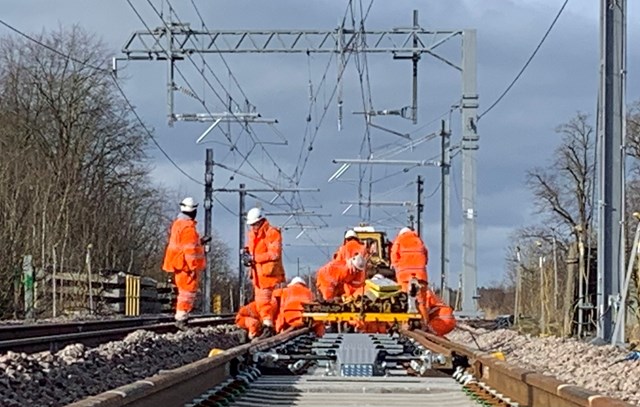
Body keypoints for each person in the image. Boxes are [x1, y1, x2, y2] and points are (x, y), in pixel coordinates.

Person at [162, 197, 208, 328]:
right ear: (194, 211)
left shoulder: (178, 224)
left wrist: (200, 242)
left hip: (177, 263)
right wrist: (193, 268)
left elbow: (184, 245)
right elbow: (189, 251)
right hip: (185, 266)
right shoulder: (188, 228)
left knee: (184, 292)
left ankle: (181, 318)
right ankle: (181, 319)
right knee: (187, 292)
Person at [244, 207, 286, 338]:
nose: (253, 227)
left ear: (261, 221)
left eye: (254, 224)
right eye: (251, 225)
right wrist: (246, 253)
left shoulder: (272, 233)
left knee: (266, 303)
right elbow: (252, 248)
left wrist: (254, 258)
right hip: (257, 275)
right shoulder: (252, 234)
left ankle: (268, 326)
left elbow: (274, 254)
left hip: (269, 275)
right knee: (261, 302)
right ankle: (267, 325)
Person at [390, 227, 429, 326]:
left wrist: (396, 267)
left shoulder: (399, 240)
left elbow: (394, 256)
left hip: (404, 276)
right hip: (420, 275)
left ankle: (405, 326)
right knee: (421, 302)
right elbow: (426, 256)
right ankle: (424, 325)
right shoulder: (419, 240)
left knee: (403, 300)